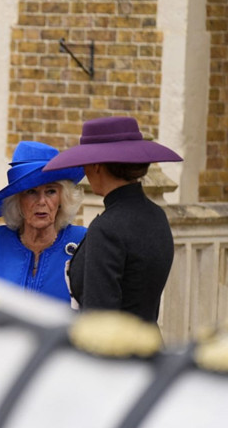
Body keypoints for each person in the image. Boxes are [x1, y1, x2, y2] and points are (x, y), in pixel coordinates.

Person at [43, 116, 183, 322]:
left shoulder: (107, 229)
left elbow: (99, 321)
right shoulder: (156, 215)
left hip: (117, 351)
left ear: (97, 166)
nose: (85, 171)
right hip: (150, 346)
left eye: (86, 163)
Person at [0, 141, 86, 303]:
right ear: (17, 199)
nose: (42, 201)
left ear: (62, 198)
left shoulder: (82, 241)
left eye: (51, 191)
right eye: (31, 192)